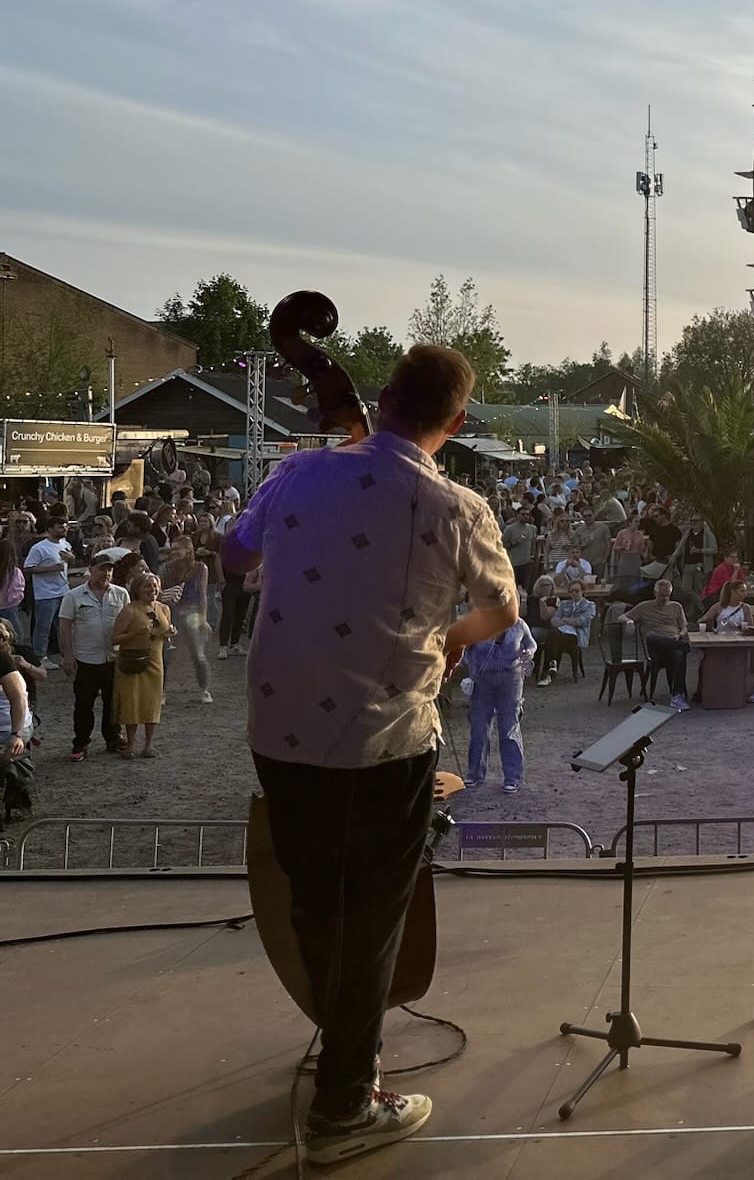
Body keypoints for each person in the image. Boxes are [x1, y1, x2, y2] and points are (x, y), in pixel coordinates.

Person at [222, 343, 517, 1167]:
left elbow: (234, 556)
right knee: (374, 920)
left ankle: (344, 1056)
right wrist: (449, 641)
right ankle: (346, 1104)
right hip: (385, 739)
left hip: (280, 732)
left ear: (383, 398)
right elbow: (501, 607)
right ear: (454, 424)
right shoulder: (458, 507)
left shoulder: (294, 474)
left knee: (316, 902)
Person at [58, 551, 129, 762]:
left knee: (113, 702)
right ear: (91, 570)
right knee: (83, 704)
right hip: (85, 659)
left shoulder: (121, 594)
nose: (106, 573)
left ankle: (113, 738)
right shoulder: (73, 596)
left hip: (113, 658)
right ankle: (80, 743)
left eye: (110, 569)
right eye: (102, 569)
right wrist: (68, 656)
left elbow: (128, 622)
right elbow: (64, 626)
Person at [463, 618, 536, 791]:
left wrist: (529, 652)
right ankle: (474, 774)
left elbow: (531, 643)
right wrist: (471, 671)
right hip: (482, 680)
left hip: (511, 679)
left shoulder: (519, 624)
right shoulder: (477, 623)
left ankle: (512, 778)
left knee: (509, 727)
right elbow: (464, 651)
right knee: (479, 728)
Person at [112, 571, 173, 759]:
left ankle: (149, 744)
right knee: (132, 701)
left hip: (155, 661)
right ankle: (130, 744)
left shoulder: (163, 609)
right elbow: (114, 638)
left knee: (152, 702)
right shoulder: (129, 610)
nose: (152, 589)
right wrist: (134, 634)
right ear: (137, 589)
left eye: (155, 586)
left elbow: (162, 632)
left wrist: (169, 632)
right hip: (133, 661)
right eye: (147, 586)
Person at [159, 536, 214, 704]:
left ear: (188, 551)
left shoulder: (200, 568)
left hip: (192, 613)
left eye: (177, 549)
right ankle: (161, 691)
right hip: (171, 611)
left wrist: (203, 619)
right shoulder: (166, 568)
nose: (173, 552)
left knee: (198, 655)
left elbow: (202, 594)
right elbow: (161, 593)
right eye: (172, 549)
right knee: (166, 653)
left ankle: (204, 689)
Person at [625, 580, 691, 707]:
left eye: (667, 595)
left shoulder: (676, 606)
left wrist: (680, 635)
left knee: (679, 654)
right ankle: (684, 646)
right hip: (655, 646)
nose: (664, 598)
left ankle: (677, 696)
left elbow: (684, 627)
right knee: (652, 636)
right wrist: (629, 622)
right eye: (662, 595)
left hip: (673, 642)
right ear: (655, 593)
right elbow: (623, 617)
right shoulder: (644, 606)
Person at [1, 620, 36, 825]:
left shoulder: (4, 661)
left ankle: (18, 796)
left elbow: (19, 699)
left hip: (10, 726)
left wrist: (16, 734)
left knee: (9, 752)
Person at [24, 515, 73, 661]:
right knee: (43, 628)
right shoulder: (39, 548)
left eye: (65, 526)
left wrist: (71, 558)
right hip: (46, 594)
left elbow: (70, 561)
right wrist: (51, 568)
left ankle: (65, 653)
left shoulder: (65, 544)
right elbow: (27, 568)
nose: (64, 529)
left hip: (64, 590)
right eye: (60, 526)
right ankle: (40, 657)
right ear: (50, 529)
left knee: (64, 626)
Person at [543, 579, 595, 686]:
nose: (574, 593)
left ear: (582, 591)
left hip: (576, 636)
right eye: (571, 591)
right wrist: (568, 621)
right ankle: (550, 670)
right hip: (561, 634)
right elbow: (553, 621)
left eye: (576, 591)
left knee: (552, 637)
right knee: (552, 635)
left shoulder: (590, 605)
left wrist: (565, 620)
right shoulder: (564, 604)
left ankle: (548, 672)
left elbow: (581, 621)